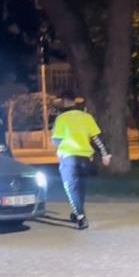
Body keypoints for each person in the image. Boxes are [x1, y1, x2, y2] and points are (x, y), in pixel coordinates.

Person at [52, 94, 111, 230]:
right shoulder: (87, 117)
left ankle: (80, 217)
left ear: (64, 101)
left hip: (69, 158)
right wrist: (105, 154)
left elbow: (57, 140)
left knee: (70, 187)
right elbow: (96, 138)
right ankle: (77, 212)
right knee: (80, 187)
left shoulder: (61, 118)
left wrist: (57, 145)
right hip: (85, 158)